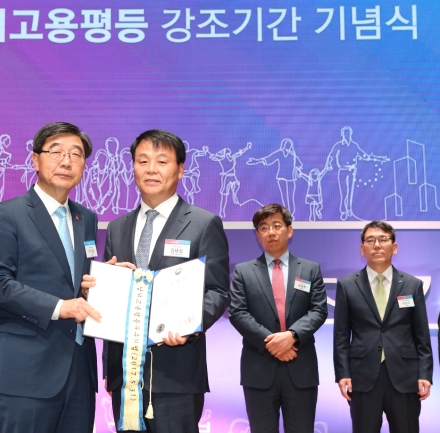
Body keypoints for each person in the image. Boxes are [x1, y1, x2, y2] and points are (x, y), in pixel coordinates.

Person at [87, 129, 230, 433]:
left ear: (180, 169)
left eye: (162, 161)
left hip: (175, 371)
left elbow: (217, 291)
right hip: (125, 376)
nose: (151, 169)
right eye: (143, 161)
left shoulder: (203, 224)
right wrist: (111, 371)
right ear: (133, 168)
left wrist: (189, 326)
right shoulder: (116, 228)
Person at [0, 122, 100, 433]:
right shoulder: (7, 214)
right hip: (27, 372)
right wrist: (61, 307)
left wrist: (107, 279)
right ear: (35, 160)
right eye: (56, 152)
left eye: (76, 154)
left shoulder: (86, 218)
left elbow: (77, 280)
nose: (66, 161)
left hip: (79, 370)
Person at [229, 204, 327, 433]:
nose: (271, 232)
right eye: (264, 227)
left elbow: (319, 310)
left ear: (289, 230)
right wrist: (273, 343)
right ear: (258, 235)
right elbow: (237, 313)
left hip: (300, 368)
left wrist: (292, 336)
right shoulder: (243, 272)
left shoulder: (310, 270)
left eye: (277, 225)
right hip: (259, 369)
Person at [333, 220, 433, 433]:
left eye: (383, 239)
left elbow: (421, 335)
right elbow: (341, 335)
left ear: (394, 247)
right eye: (370, 240)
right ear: (362, 249)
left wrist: (424, 373)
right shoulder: (347, 285)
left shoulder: (412, 284)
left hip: (405, 375)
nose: (377, 245)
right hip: (363, 376)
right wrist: (342, 373)